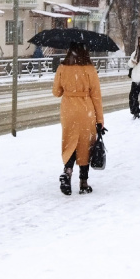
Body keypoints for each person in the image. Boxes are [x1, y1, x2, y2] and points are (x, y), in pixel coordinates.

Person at [52, 42, 104, 196]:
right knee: (85, 145)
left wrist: (67, 87)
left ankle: (67, 172)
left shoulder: (62, 67)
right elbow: (96, 95)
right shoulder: (90, 69)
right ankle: (83, 182)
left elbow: (56, 92)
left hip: (68, 110)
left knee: (70, 143)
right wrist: (100, 119)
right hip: (85, 110)